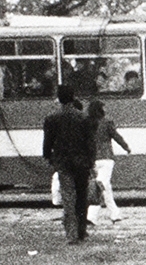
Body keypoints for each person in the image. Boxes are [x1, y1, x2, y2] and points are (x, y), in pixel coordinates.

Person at [43, 84, 96, 243]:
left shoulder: (51, 118)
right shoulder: (84, 117)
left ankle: (71, 235)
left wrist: (48, 157)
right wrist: (91, 162)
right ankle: (81, 232)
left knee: (68, 197)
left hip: (63, 163)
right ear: (73, 97)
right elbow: (90, 143)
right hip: (82, 163)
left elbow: (48, 142)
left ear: (59, 99)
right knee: (81, 197)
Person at [85, 99, 122, 225]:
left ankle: (113, 214)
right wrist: (126, 147)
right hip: (106, 158)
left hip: (93, 159)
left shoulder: (87, 123)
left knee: (102, 186)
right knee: (103, 186)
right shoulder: (107, 122)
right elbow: (116, 136)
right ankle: (96, 216)